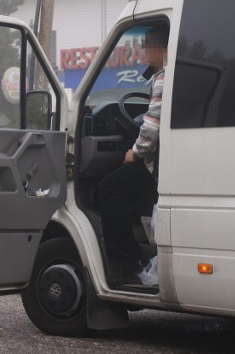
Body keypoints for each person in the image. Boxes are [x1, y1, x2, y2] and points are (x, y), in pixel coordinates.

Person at [98, 24, 169, 288]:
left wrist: (135, 153)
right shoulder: (171, 75)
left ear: (159, 48)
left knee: (108, 188)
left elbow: (151, 126)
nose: (144, 53)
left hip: (159, 166)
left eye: (147, 47)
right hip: (168, 163)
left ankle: (127, 262)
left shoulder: (163, 76)